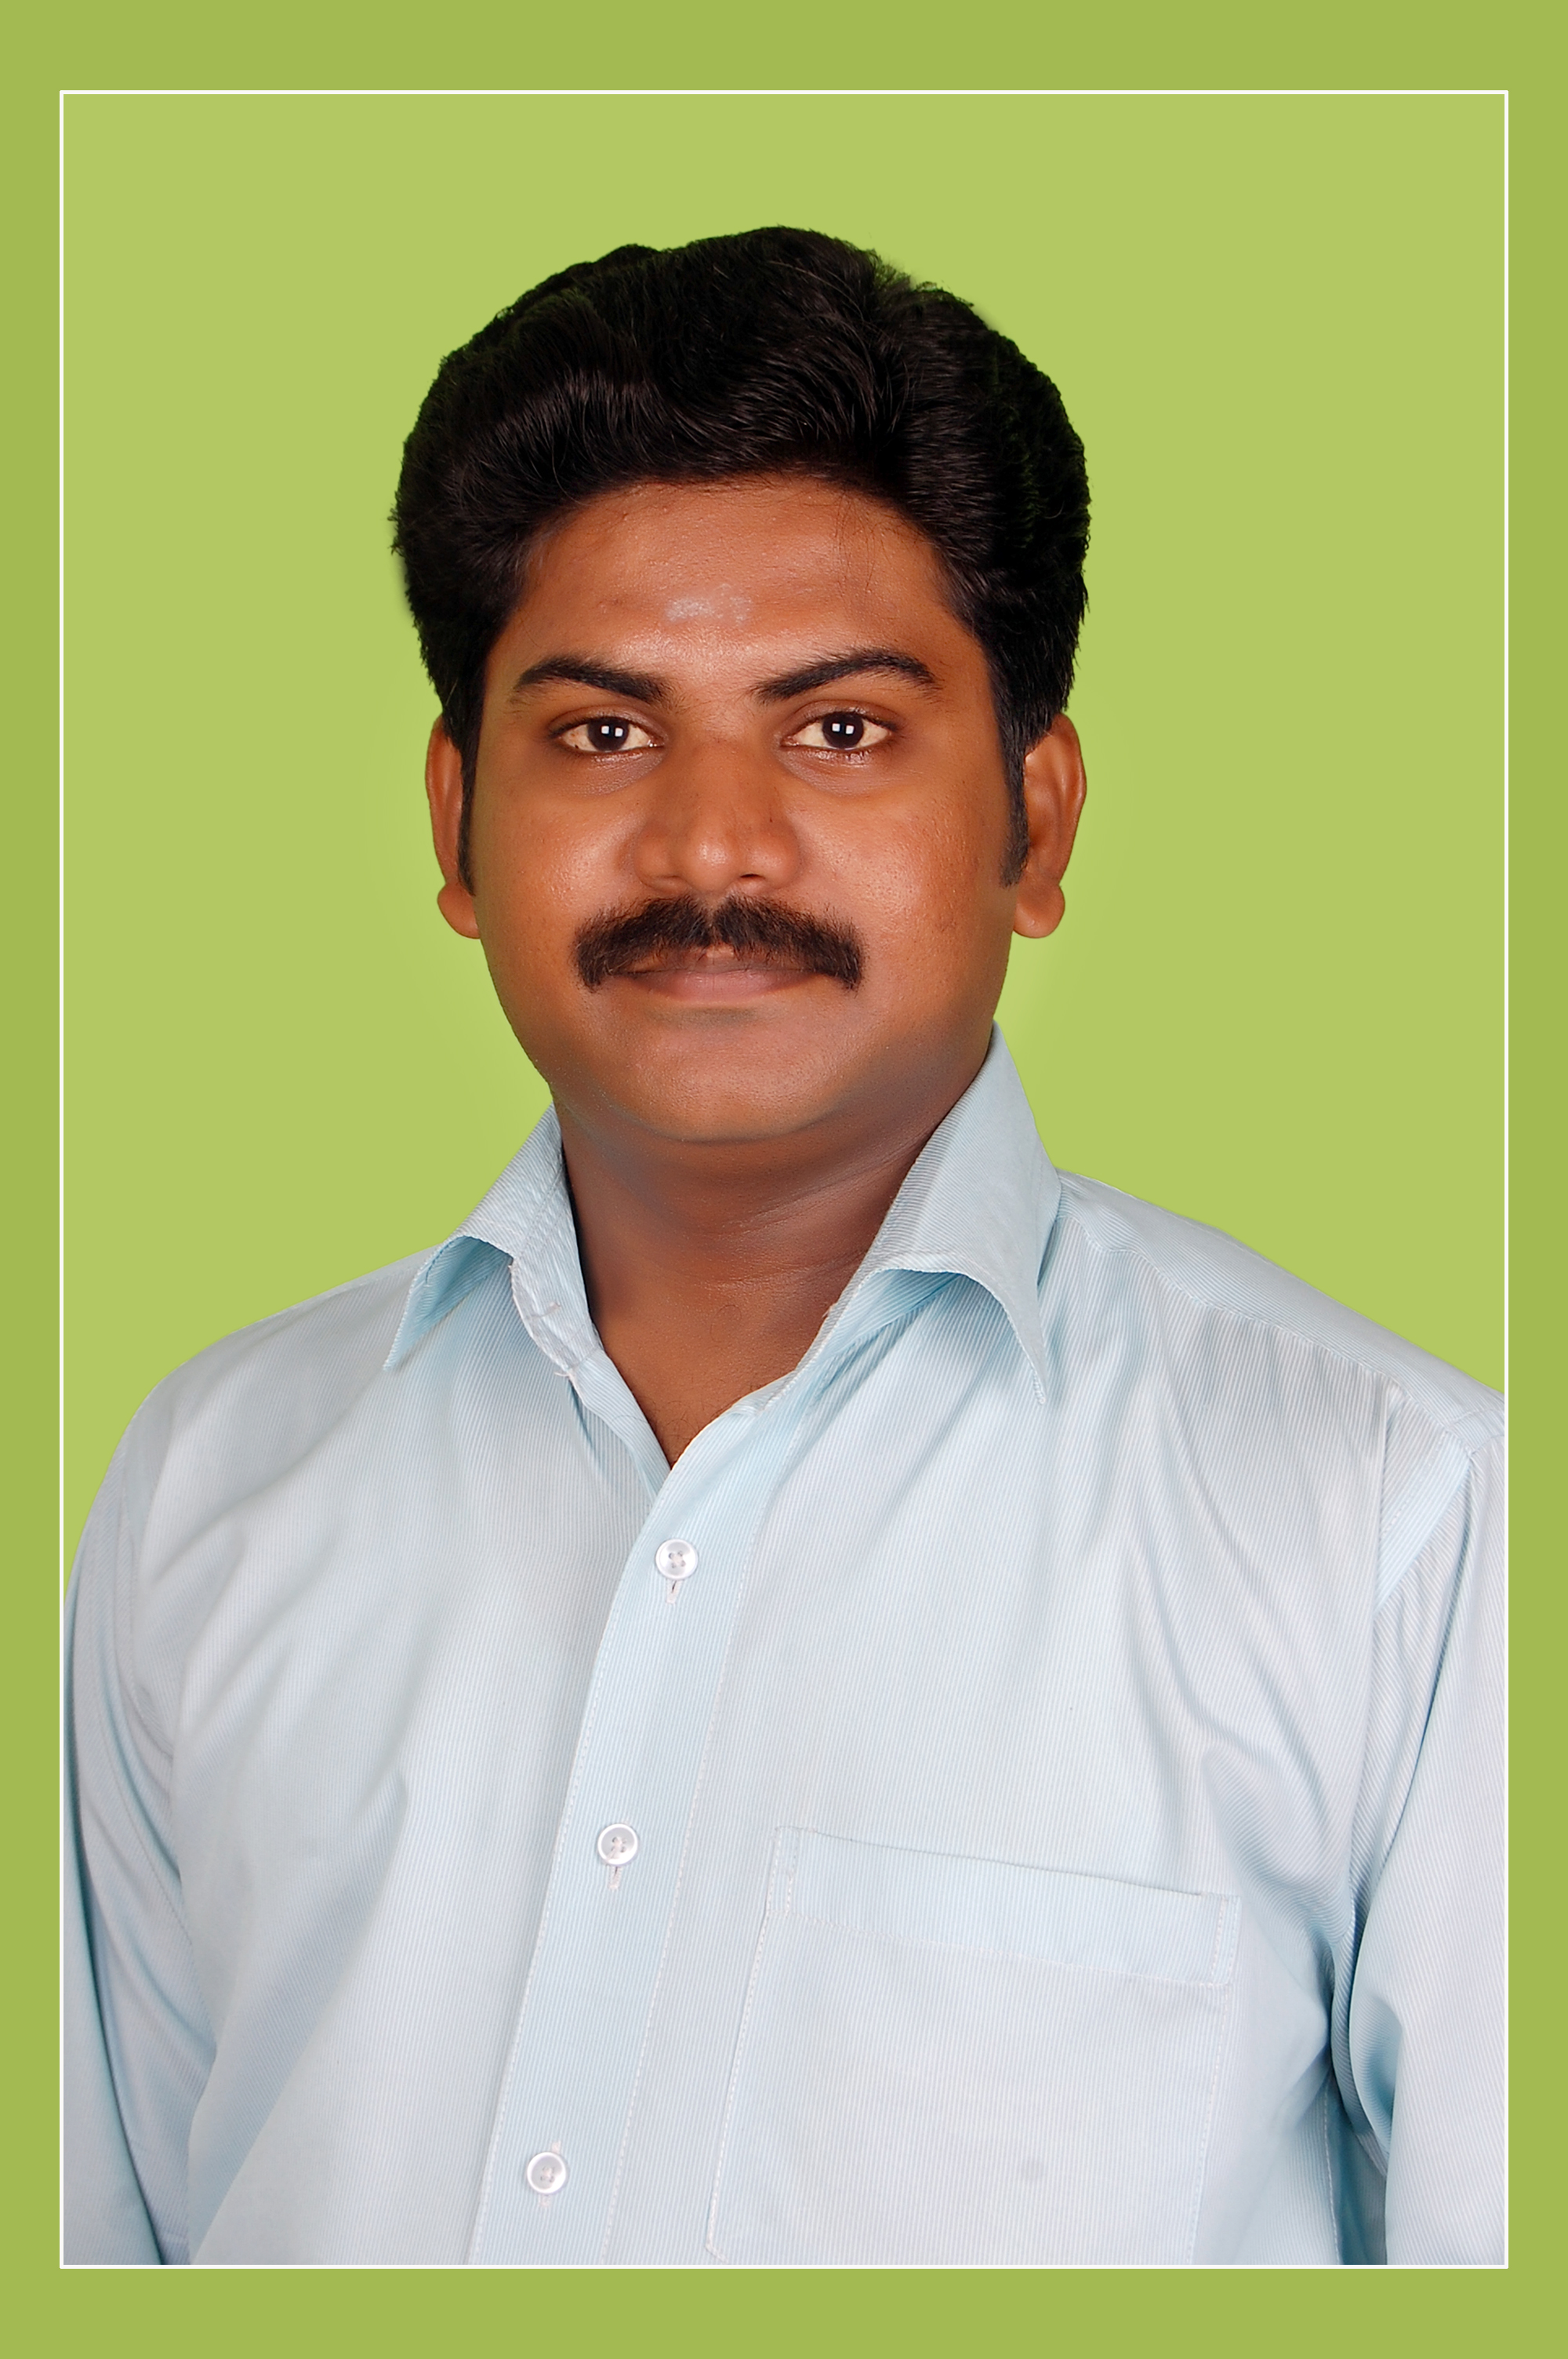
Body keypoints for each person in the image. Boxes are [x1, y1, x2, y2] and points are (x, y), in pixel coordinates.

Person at [64, 227, 1503, 2269]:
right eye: (603, 733)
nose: (714, 848)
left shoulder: (1398, 1526)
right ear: (455, 821)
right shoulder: (211, 1481)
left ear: (1037, 820)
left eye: (838, 731)